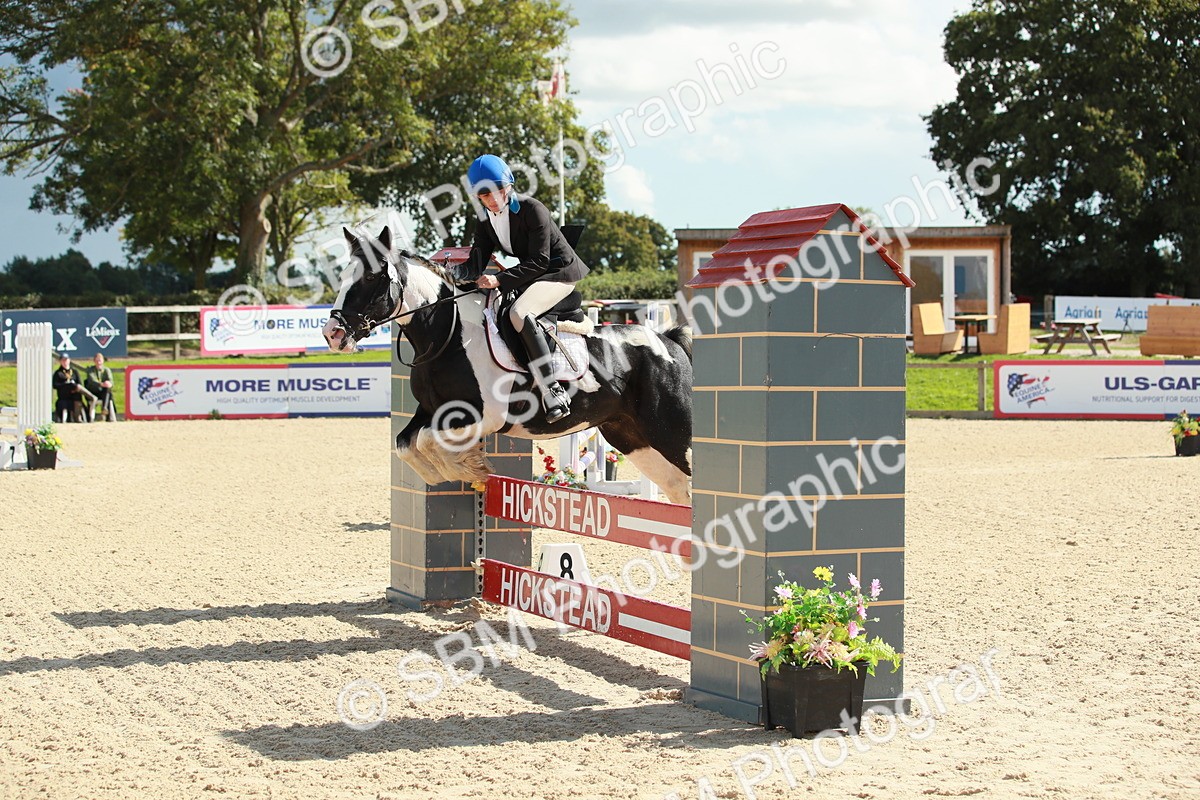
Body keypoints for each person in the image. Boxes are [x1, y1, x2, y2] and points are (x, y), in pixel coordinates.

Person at [454, 154, 589, 422]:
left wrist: (500, 280)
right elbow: (477, 260)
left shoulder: (532, 209)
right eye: (485, 196)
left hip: (558, 273)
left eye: (497, 191)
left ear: (509, 186)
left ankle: (553, 391)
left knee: (519, 313)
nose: (492, 200)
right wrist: (453, 274)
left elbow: (540, 260)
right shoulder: (484, 219)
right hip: (532, 276)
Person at [52, 355, 90, 422]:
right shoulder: (58, 373)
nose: (65, 362)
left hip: (74, 394)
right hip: (64, 394)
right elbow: (55, 385)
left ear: (69, 360)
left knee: (78, 396)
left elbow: (80, 383)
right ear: (60, 361)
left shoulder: (74, 372)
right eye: (63, 360)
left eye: (66, 360)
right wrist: (65, 385)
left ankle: (78, 417)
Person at [85, 352, 115, 422]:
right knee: (106, 390)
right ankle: (104, 411)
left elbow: (111, 381)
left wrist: (109, 384)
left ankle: (104, 409)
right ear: (94, 361)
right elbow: (92, 381)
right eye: (97, 360)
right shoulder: (91, 370)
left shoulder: (107, 370)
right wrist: (101, 384)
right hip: (93, 391)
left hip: (103, 392)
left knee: (107, 390)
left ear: (103, 361)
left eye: (100, 360)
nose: (98, 362)